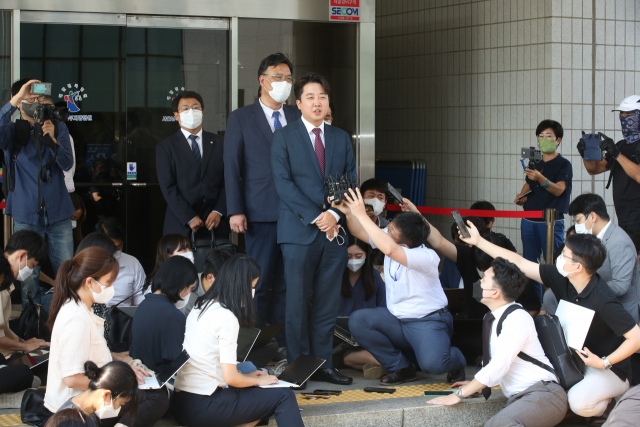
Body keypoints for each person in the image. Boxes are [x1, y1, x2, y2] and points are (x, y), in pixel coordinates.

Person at [461, 221, 640, 420]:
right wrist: (478, 241)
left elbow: (636, 337)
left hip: (608, 369)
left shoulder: (604, 300)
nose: (560, 258)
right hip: (572, 360)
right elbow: (519, 263)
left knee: (578, 402)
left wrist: (604, 362)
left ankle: (606, 404)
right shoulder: (564, 278)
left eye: (565, 256)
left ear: (578, 267)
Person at [271, 72, 357, 386]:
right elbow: (283, 184)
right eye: (310, 97)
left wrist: (335, 214)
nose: (317, 102)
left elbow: (350, 182)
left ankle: (324, 364)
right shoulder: (284, 136)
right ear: (298, 103)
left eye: (322, 96)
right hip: (298, 232)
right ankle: (299, 367)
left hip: (334, 233)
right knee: (295, 303)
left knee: (326, 301)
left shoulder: (340, 138)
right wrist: (316, 216)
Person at [336, 189, 466, 386]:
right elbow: (358, 231)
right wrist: (348, 213)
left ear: (404, 243)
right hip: (398, 320)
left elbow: (390, 249)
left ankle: (455, 358)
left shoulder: (425, 257)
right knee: (360, 320)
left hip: (428, 322)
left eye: (391, 231)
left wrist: (362, 214)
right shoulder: (395, 242)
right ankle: (401, 367)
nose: (387, 230)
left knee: (434, 365)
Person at [426, 258, 567, 427]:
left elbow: (498, 365)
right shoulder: (492, 318)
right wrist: (476, 383)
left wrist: (459, 395)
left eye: (484, 279)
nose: (479, 282)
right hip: (526, 396)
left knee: (500, 424)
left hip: (544, 394)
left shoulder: (517, 318)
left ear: (495, 293)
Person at [171, 254, 304, 427]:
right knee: (284, 396)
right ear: (241, 285)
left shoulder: (201, 306)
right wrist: (257, 380)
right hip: (204, 405)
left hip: (182, 402)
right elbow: (231, 378)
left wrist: (248, 376)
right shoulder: (226, 317)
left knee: (257, 385)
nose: (253, 292)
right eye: (252, 286)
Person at [43, 247, 168, 427]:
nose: (112, 288)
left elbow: (89, 353)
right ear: (89, 282)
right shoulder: (75, 319)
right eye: (108, 283)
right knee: (156, 398)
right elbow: (71, 379)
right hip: (78, 406)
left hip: (90, 395)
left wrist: (120, 361)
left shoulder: (82, 309)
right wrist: (117, 382)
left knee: (154, 393)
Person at [224, 53, 301, 347]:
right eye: (278, 77)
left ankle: (282, 341)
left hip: (295, 214)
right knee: (261, 281)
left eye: (288, 78)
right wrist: (235, 210)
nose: (284, 83)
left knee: (287, 282)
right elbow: (232, 168)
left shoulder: (296, 115)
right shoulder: (241, 118)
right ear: (263, 80)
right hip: (259, 212)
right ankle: (255, 340)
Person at [547, 193, 640, 386]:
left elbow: (622, 285)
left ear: (593, 216)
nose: (577, 224)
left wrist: (587, 287)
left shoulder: (619, 241)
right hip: (596, 307)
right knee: (550, 296)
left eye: (578, 219)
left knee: (621, 364)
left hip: (616, 311)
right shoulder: (595, 238)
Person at [1, 78, 74, 307]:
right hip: (26, 211)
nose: (36, 102)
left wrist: (51, 138)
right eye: (30, 98)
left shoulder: (58, 127)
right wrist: (12, 102)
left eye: (39, 98)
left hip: (58, 211)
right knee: (28, 275)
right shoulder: (13, 130)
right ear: (20, 103)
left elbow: (66, 163)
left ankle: (67, 319)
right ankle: (29, 324)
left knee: (67, 269)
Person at [156, 90, 229, 238]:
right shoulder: (166, 147)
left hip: (215, 224)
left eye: (196, 107)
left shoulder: (220, 143)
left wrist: (218, 211)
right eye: (185, 108)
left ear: (202, 113)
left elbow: (230, 179)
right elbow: (168, 187)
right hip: (181, 225)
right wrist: (189, 217)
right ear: (176, 115)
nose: (191, 111)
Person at [514, 119, 572, 302]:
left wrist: (541, 179)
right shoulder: (535, 159)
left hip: (551, 221)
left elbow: (560, 189)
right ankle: (533, 304)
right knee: (529, 263)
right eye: (541, 136)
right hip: (529, 219)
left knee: (553, 262)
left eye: (549, 136)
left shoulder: (564, 164)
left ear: (558, 140)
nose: (544, 139)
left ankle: (556, 302)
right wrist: (520, 197)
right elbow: (528, 184)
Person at [578, 95, 640, 235]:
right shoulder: (621, 145)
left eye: (629, 114)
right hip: (624, 216)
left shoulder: (622, 150)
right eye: (621, 114)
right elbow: (595, 169)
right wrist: (585, 154)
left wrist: (617, 154)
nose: (624, 117)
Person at [129, 256, 197, 373]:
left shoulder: (143, 305)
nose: (188, 293)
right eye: (189, 288)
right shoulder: (174, 316)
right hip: (162, 381)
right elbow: (178, 362)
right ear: (181, 284)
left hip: (142, 376)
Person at [338, 235, 386, 378]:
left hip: (368, 336)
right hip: (340, 339)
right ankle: (386, 364)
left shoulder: (375, 277)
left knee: (348, 359)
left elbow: (384, 310)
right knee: (346, 358)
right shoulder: (335, 276)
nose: (353, 260)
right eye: (349, 256)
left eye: (358, 256)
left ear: (367, 255)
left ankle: (387, 364)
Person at [57, 361, 139, 427]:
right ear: (106, 395)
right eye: (121, 403)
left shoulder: (85, 412)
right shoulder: (71, 421)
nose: (119, 408)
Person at [95, 218, 147, 307]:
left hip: (122, 318)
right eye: (111, 248)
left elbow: (142, 300)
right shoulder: (87, 264)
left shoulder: (133, 263)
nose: (116, 251)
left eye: (119, 247)